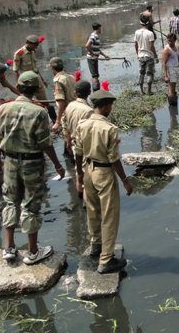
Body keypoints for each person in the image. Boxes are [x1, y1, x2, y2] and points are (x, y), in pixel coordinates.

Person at [0, 71, 66, 265]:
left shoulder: (2, 109)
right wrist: (58, 165)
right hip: (32, 163)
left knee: (10, 201)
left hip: (9, 160)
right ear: (35, 89)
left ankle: (8, 248)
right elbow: (45, 143)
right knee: (31, 205)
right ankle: (33, 251)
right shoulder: (39, 112)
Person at [74, 89, 133, 274]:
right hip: (104, 172)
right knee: (109, 215)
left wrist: (79, 175)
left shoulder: (82, 124)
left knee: (92, 210)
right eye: (110, 105)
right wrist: (125, 180)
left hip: (87, 170)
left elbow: (77, 151)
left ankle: (96, 244)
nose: (111, 109)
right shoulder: (109, 129)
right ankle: (106, 259)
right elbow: (114, 158)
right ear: (105, 106)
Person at [13, 35, 49, 101]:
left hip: (36, 78)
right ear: (28, 43)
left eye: (37, 45)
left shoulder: (33, 51)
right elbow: (15, 70)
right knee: (30, 100)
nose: (36, 47)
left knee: (43, 99)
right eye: (35, 45)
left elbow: (35, 68)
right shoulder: (19, 53)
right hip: (27, 81)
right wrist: (18, 83)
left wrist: (42, 80)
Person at [62, 80, 93, 154]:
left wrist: (68, 141)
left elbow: (64, 124)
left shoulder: (70, 105)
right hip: (84, 148)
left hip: (73, 145)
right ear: (89, 93)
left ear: (75, 93)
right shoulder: (89, 111)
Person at [49, 57, 75, 134]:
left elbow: (61, 103)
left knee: (68, 138)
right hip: (75, 109)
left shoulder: (58, 81)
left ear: (52, 68)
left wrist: (57, 122)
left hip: (67, 113)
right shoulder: (71, 77)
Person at [134, 17, 157, 95]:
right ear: (148, 23)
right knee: (150, 73)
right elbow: (152, 46)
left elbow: (136, 44)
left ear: (141, 23)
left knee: (141, 73)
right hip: (149, 55)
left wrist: (137, 53)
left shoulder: (137, 32)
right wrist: (156, 55)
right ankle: (149, 90)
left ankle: (141, 90)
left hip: (141, 55)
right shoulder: (150, 33)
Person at [161, 33, 179, 106]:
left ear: (175, 41)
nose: (170, 42)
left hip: (175, 68)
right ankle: (172, 103)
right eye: (168, 41)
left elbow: (178, 59)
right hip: (170, 69)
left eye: (171, 41)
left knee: (173, 86)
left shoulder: (176, 47)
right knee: (172, 87)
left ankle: (172, 102)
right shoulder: (167, 50)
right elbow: (164, 63)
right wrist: (165, 76)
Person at [86, 23, 109, 92]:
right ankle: (96, 92)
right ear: (98, 29)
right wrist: (93, 55)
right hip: (91, 59)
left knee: (96, 75)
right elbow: (87, 46)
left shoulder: (95, 36)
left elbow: (97, 49)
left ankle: (96, 90)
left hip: (94, 58)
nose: (101, 30)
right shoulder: (94, 36)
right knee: (95, 76)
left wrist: (105, 56)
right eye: (100, 28)